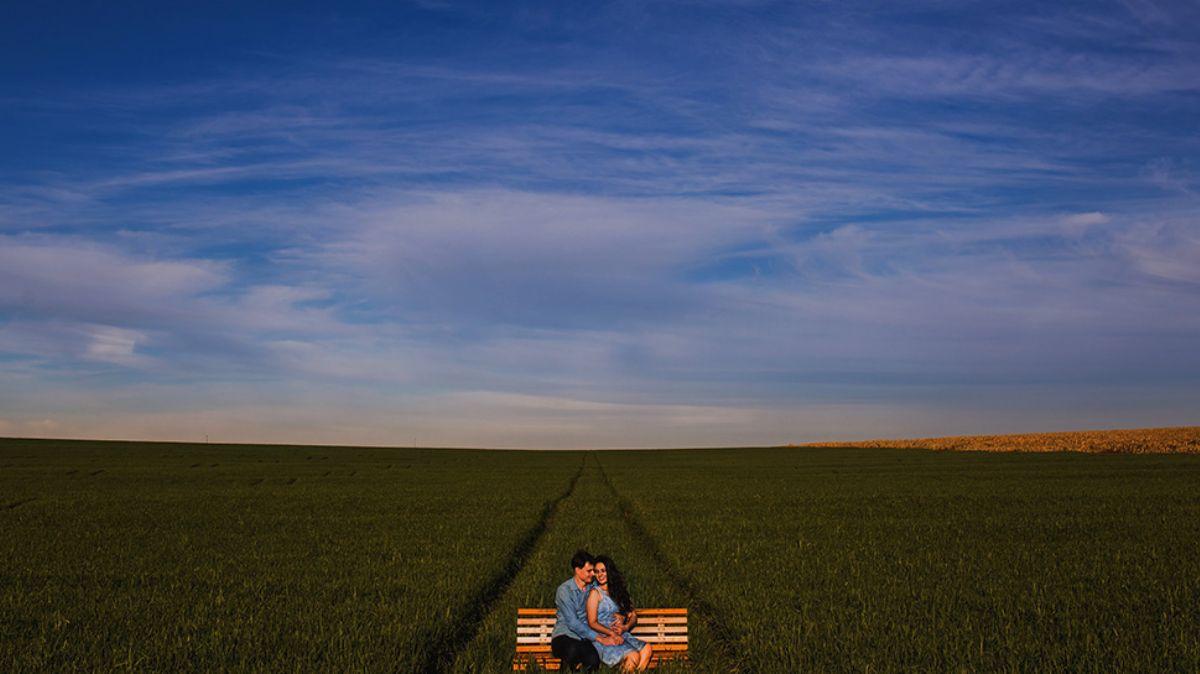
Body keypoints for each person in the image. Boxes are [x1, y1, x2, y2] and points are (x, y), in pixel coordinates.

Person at [551, 550, 624, 671]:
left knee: (593, 660)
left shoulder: (593, 586)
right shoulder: (565, 590)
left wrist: (620, 614)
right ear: (577, 570)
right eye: (589, 571)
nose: (593, 574)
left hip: (583, 638)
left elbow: (609, 598)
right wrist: (600, 638)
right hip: (564, 636)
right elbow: (572, 622)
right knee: (573, 651)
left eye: (593, 571)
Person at [587, 555, 653, 671]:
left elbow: (633, 615)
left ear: (609, 571)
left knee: (647, 649)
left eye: (603, 571)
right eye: (597, 572)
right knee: (633, 656)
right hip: (604, 637)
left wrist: (626, 626)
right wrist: (611, 634)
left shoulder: (618, 591)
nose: (600, 575)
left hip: (621, 634)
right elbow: (592, 622)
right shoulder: (595, 593)